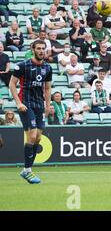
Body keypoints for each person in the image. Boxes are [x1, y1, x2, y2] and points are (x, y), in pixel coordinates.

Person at [9, 40, 52, 184]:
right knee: (32, 136)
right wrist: (18, 103)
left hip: (39, 104)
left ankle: (27, 170)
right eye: (38, 48)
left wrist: (47, 105)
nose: (41, 51)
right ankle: (27, 171)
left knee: (38, 138)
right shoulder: (23, 65)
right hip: (26, 104)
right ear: (32, 49)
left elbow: (47, 88)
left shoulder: (48, 67)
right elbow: (12, 84)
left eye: (43, 49)